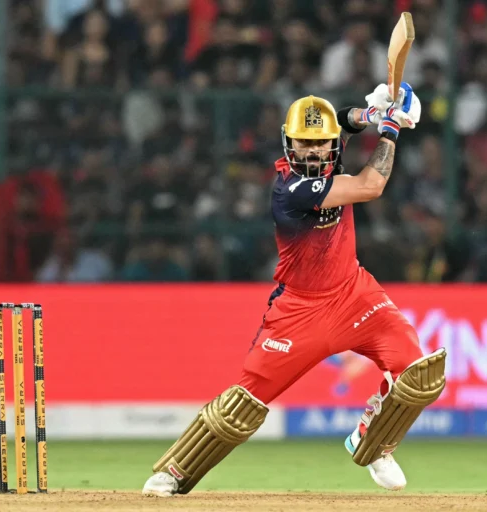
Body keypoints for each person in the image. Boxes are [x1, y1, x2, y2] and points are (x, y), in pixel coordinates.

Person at [142, 83, 447, 497]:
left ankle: (373, 442)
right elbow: (370, 186)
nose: (314, 152)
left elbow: (342, 121)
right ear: (289, 144)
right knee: (243, 405)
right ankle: (176, 471)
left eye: (321, 144)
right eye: (304, 143)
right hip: (300, 311)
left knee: (418, 373)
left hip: (354, 293)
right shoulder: (291, 189)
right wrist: (391, 128)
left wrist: (371, 114)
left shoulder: (328, 153)